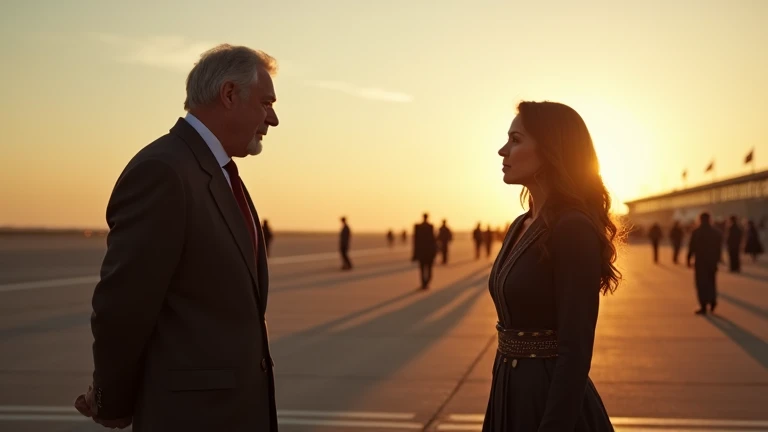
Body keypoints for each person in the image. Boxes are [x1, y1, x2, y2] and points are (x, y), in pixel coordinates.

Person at [73, 44, 280, 431]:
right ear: (230, 94)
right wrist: (112, 400)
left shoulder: (216, 172)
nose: (274, 118)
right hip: (194, 418)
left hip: (234, 413)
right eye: (266, 103)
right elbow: (124, 307)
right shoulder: (164, 172)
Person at [483, 101, 619, 432]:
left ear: (550, 151)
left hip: (548, 402)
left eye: (516, 140)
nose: (503, 151)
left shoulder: (572, 227)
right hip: (508, 392)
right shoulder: (520, 224)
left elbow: (576, 349)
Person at [687, 212, 723, 315]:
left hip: (700, 262)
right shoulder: (716, 232)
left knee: (701, 284)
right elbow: (718, 248)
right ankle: (712, 302)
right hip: (712, 262)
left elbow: (691, 247)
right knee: (712, 282)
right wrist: (718, 259)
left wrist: (688, 259)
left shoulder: (696, 232)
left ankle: (703, 306)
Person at [412, 213, 437, 289]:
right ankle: (425, 283)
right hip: (428, 252)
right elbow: (433, 240)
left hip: (422, 252)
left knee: (423, 269)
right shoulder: (430, 227)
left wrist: (415, 254)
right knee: (428, 269)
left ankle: (424, 284)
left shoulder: (419, 227)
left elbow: (416, 242)